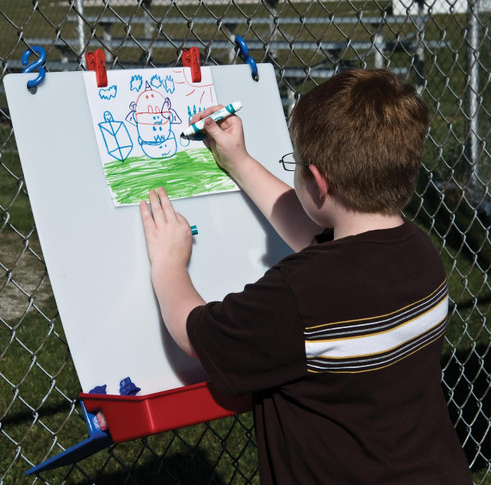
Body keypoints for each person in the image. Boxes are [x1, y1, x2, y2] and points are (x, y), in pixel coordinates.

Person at [139, 69, 472, 484]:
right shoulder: (421, 257)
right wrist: (238, 161)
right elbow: (314, 233)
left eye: (294, 165)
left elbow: (196, 335)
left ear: (317, 181)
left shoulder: (299, 296)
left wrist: (169, 264)